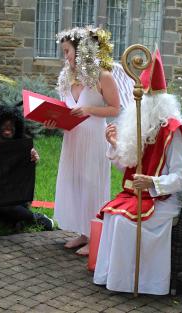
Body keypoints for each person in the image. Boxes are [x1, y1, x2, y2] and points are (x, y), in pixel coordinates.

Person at [93, 49, 182, 295]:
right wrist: (114, 146)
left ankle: (142, 282)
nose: (137, 107)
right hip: (139, 195)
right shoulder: (141, 127)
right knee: (112, 215)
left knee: (124, 222)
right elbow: (128, 167)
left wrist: (152, 182)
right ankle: (114, 277)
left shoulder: (172, 132)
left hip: (166, 199)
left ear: (158, 104)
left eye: (144, 102)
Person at [45, 26, 120, 256]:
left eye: (67, 51)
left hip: (94, 137)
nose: (65, 56)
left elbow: (115, 108)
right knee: (75, 181)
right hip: (72, 137)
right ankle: (82, 231)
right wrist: (54, 121)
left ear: (80, 51)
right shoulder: (67, 77)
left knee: (92, 184)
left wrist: (88, 109)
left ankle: (95, 234)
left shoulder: (103, 76)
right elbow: (64, 108)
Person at [0, 105, 54, 231]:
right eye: (4, 123)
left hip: (12, 196)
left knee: (6, 208)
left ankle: (36, 218)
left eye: (12, 124)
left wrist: (33, 159)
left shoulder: (22, 147)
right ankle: (15, 218)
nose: (8, 127)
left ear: (17, 127)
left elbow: (24, 175)